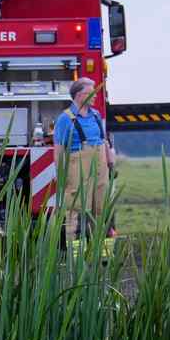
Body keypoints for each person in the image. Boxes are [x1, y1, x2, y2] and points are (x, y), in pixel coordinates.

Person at [51, 78, 117, 255]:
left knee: (102, 208)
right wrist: (60, 173)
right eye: (91, 93)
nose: (95, 96)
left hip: (100, 165)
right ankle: (77, 255)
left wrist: (110, 159)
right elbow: (59, 149)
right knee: (76, 209)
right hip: (77, 167)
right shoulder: (65, 119)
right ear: (80, 95)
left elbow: (103, 139)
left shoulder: (95, 115)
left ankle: (104, 254)